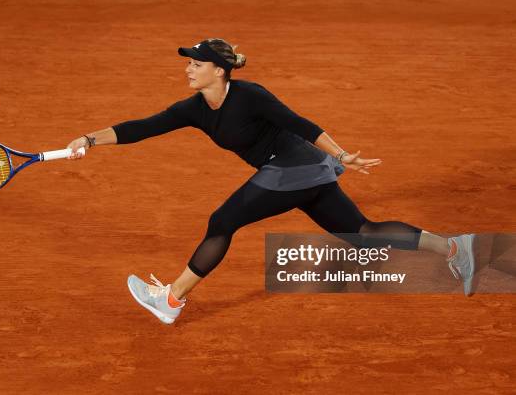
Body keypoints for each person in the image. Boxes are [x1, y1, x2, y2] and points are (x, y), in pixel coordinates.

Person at [66, 38, 476, 324]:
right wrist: (89, 139)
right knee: (360, 231)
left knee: (222, 222)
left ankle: (171, 300)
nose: (188, 68)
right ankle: (454, 248)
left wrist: (341, 154)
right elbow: (143, 126)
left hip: (294, 167)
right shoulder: (195, 108)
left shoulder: (251, 95)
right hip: (301, 172)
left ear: (220, 70)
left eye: (196, 63)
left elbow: (300, 124)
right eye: (189, 62)